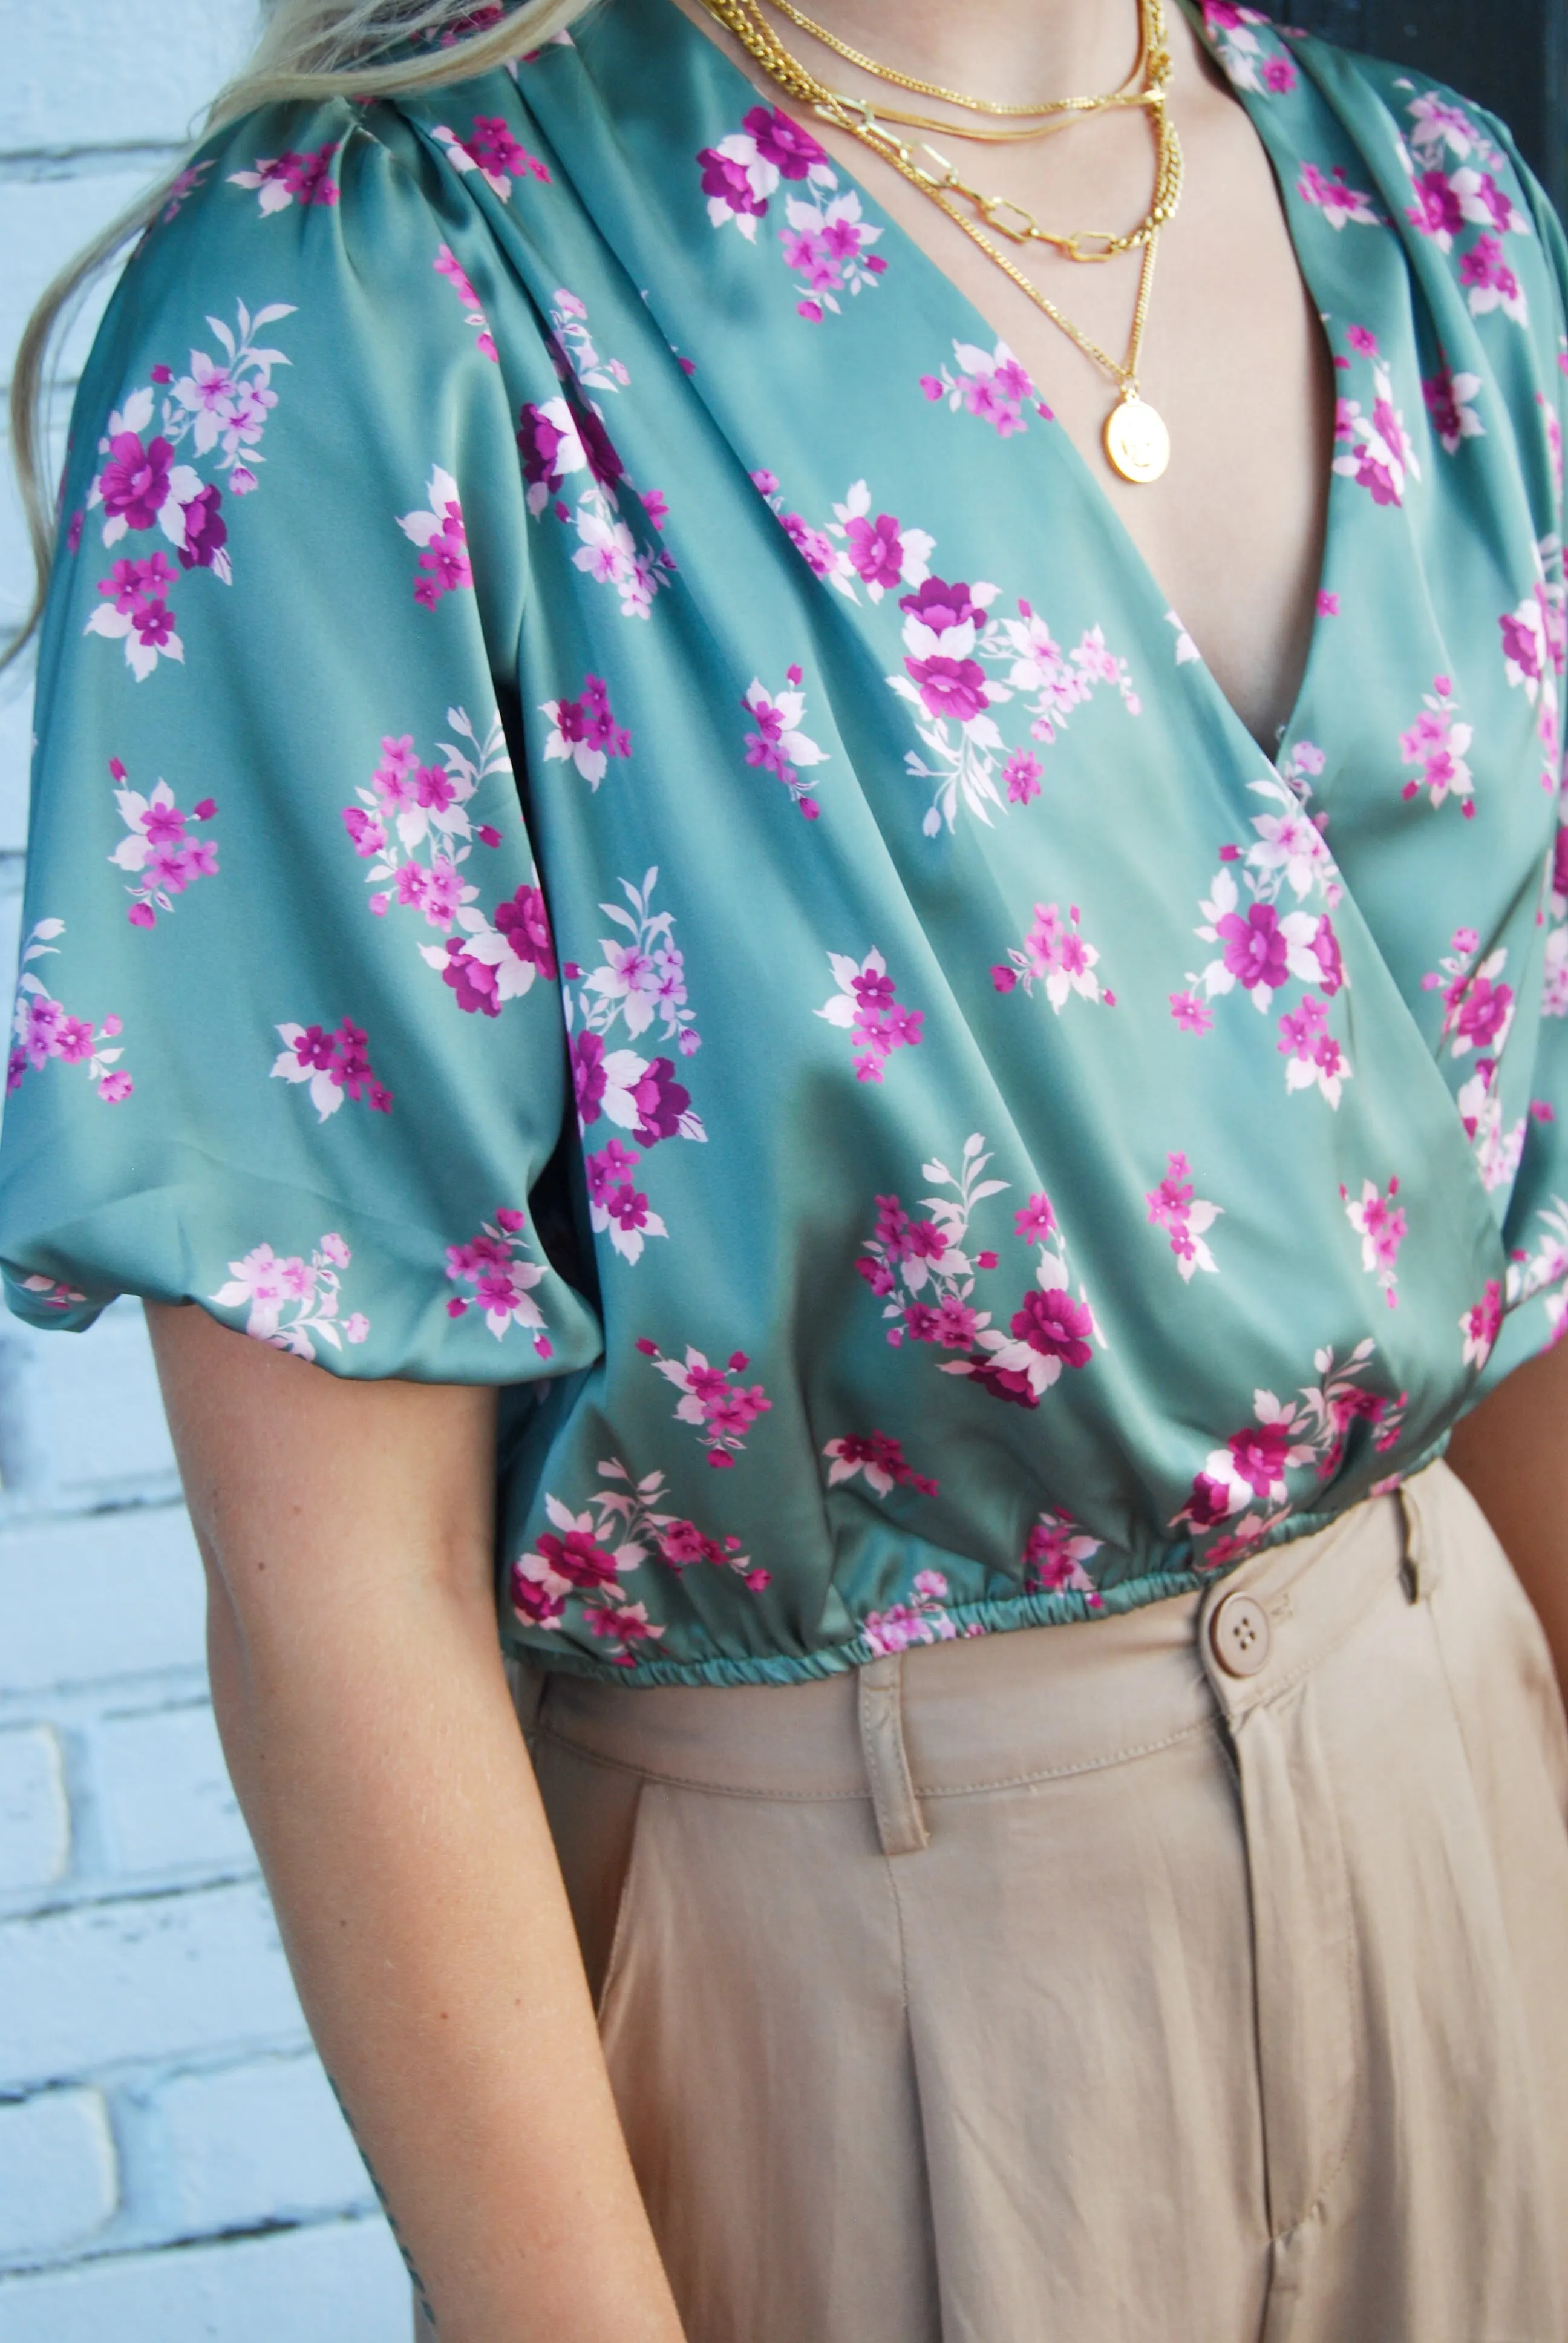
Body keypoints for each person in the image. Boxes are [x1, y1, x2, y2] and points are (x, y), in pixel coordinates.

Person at [3, 0, 1567, 2333]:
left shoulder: (1443, 226)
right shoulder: (374, 294)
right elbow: (341, 1593)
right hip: (860, 2038)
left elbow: (1522, 1262)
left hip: (1479, 1872)